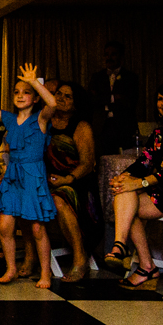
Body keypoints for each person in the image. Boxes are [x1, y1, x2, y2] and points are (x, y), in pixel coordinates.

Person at [0, 62, 58, 287]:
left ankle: (45, 272)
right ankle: (11, 267)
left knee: (37, 228)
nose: (20, 95)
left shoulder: (40, 118)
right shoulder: (10, 119)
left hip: (33, 176)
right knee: (5, 226)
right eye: (16, 92)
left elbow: (52, 103)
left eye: (26, 92)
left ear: (35, 98)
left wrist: (34, 82)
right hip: (13, 175)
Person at [104, 83, 163, 288]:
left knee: (130, 196)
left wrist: (139, 182)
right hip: (161, 191)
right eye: (160, 99)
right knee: (125, 194)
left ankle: (143, 265)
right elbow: (144, 162)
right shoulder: (160, 133)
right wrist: (123, 177)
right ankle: (122, 248)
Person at [43, 82, 103, 282]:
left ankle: (80, 258)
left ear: (76, 104)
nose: (60, 98)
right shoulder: (45, 120)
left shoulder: (81, 126)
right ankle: (31, 256)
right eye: (58, 94)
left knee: (59, 199)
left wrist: (66, 179)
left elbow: (87, 164)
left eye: (67, 96)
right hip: (47, 178)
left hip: (76, 182)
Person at [89, 41, 139, 155]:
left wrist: (103, 98)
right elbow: (92, 100)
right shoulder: (97, 77)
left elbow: (130, 102)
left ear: (120, 56)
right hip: (102, 127)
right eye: (106, 54)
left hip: (124, 127)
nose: (109, 57)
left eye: (113, 54)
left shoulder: (130, 77)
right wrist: (114, 97)